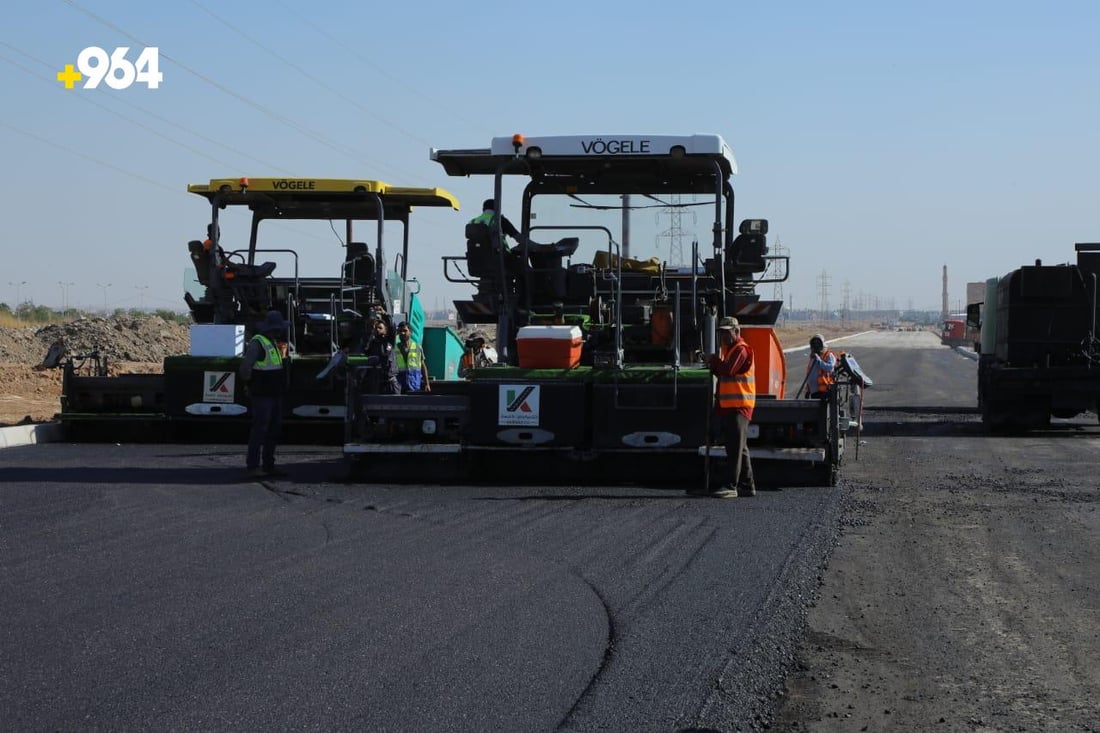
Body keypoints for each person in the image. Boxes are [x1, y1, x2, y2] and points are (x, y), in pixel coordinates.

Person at [692, 316, 756, 498]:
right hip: (730, 406)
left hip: (739, 406)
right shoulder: (730, 350)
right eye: (722, 333)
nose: (724, 336)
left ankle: (731, 485)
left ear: (737, 331)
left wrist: (712, 360)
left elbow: (727, 369)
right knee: (739, 448)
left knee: (735, 449)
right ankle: (747, 485)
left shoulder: (741, 350)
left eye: (727, 333)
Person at [239, 310, 290, 478]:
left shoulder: (271, 343)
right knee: (260, 429)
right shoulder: (258, 343)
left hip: (273, 394)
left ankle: (268, 465)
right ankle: (253, 466)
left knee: (272, 430)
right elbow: (246, 367)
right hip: (262, 395)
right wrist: (248, 384)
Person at [363, 317, 401, 395]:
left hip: (390, 380)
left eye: (380, 328)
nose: (378, 329)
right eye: (376, 328)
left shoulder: (389, 340)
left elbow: (392, 327)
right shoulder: (372, 343)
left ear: (386, 330)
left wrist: (385, 314)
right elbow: (365, 351)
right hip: (378, 380)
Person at [394, 321, 431, 393]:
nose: (402, 333)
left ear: (411, 332)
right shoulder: (394, 348)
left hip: (414, 384)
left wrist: (427, 384)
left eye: (405, 330)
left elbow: (423, 366)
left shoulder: (418, 347)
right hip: (399, 385)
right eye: (400, 331)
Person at [805, 334, 837, 398]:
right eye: (814, 344)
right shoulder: (813, 358)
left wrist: (819, 360)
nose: (816, 346)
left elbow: (830, 368)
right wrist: (808, 389)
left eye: (818, 344)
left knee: (823, 407)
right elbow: (810, 374)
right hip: (814, 391)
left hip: (825, 390)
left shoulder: (828, 355)